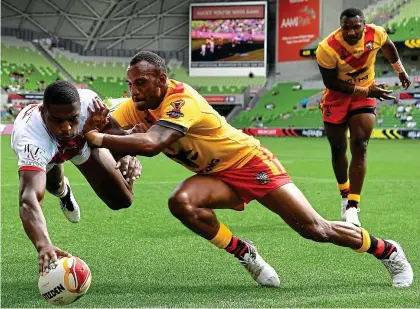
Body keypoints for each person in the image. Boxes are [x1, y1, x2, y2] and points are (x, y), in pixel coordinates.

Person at [83, 51, 413, 288]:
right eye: (130, 85)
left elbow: (152, 143)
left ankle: (387, 250)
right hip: (215, 175)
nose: (134, 91)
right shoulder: (136, 104)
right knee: (181, 202)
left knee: (314, 229)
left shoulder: (183, 101)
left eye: (141, 83)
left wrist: (99, 137)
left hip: (248, 162)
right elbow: (111, 122)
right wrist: (114, 140)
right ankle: (245, 253)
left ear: (162, 80)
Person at [11, 81, 142, 276]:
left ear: (79, 109)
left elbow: (115, 133)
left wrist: (128, 155)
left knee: (122, 200)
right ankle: (64, 192)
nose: (66, 128)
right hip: (48, 151)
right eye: (57, 120)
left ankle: (66, 169)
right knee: (53, 185)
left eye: (73, 119)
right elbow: (28, 199)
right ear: (44, 112)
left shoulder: (90, 102)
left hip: (80, 145)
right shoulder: (31, 140)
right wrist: (44, 245)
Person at [316, 8, 411, 226]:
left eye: (356, 26)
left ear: (364, 25)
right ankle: (344, 194)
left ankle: (352, 206)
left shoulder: (376, 33)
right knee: (338, 150)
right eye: (345, 27)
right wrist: (367, 90)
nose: (350, 32)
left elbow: (388, 46)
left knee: (360, 144)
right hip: (337, 97)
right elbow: (331, 83)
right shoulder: (327, 48)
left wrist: (400, 70)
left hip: (365, 94)